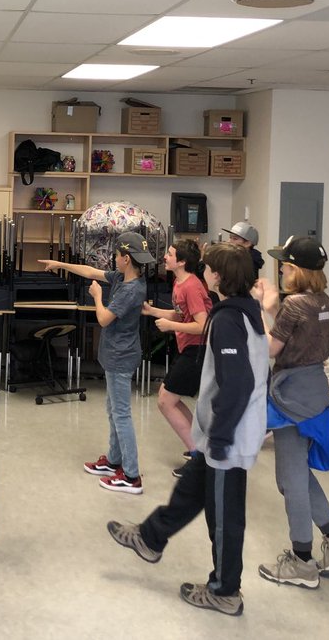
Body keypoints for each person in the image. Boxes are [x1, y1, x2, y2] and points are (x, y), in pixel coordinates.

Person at [106, 243, 267, 618]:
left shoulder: (228, 320)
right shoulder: (243, 312)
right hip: (220, 433)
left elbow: (238, 384)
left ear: (218, 276)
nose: (204, 271)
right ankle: (150, 538)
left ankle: (225, 592)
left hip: (230, 436)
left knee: (225, 518)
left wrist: (222, 438)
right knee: (192, 488)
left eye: (208, 267)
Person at [254, 235, 329, 589]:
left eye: (285, 264)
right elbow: (299, 334)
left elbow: (273, 347)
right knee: (297, 473)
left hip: (291, 397)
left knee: (290, 480)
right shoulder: (321, 301)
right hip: (313, 389)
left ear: (296, 270)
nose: (281, 268)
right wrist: (273, 307)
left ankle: (301, 560)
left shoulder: (295, 304)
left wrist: (257, 309)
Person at [42, 232, 152, 494]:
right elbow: (91, 271)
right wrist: (61, 265)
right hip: (115, 355)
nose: (113, 259)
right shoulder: (123, 279)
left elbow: (103, 319)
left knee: (121, 414)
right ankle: (114, 460)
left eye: (116, 255)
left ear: (125, 259)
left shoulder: (130, 289)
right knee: (113, 411)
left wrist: (97, 297)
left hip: (121, 358)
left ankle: (131, 475)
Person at [143, 239, 211, 471]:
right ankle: (199, 448)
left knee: (165, 401)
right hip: (188, 348)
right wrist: (153, 311)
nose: (165, 257)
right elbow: (182, 314)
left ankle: (198, 456)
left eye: (170, 254)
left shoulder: (191, 286)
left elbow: (203, 325)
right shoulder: (180, 282)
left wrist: (172, 327)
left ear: (181, 261)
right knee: (168, 398)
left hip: (198, 350)